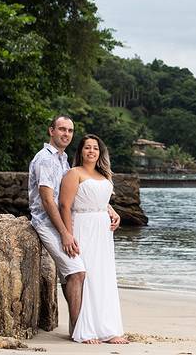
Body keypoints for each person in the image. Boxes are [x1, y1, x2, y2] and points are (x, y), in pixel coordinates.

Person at [28, 115, 121, 338]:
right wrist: (65, 233)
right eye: (62, 129)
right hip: (47, 223)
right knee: (77, 272)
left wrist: (107, 208)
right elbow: (49, 200)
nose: (66, 134)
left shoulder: (62, 159)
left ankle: (82, 327)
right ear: (51, 131)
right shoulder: (45, 159)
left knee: (73, 274)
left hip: (67, 223)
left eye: (70, 130)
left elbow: (80, 193)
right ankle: (81, 330)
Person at [58, 133, 128, 344]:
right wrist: (68, 234)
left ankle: (108, 329)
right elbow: (65, 205)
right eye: (87, 147)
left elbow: (101, 200)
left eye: (95, 148)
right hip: (82, 227)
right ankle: (86, 330)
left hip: (103, 231)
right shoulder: (74, 173)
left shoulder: (104, 175)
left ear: (100, 152)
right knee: (87, 277)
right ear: (81, 151)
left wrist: (112, 211)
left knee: (103, 277)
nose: (91, 151)